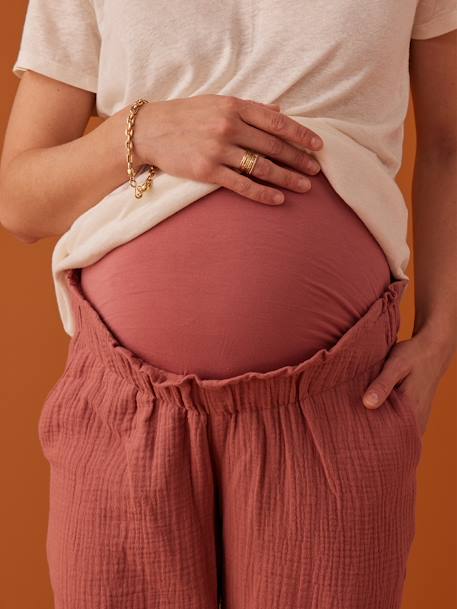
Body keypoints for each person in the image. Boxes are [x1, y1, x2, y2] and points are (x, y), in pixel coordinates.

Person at [0, 0, 456, 607]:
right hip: (126, 411)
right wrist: (143, 132)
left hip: (338, 403)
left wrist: (442, 334)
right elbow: (19, 201)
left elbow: (451, 146)